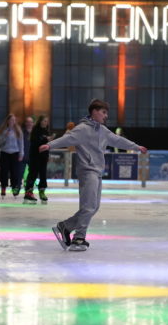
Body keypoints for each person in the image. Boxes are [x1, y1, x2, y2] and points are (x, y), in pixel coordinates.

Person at [42, 99, 147, 250]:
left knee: (94, 206)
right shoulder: (82, 129)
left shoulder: (103, 131)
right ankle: (79, 238)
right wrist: (50, 145)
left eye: (106, 113)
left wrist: (136, 147)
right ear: (94, 111)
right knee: (89, 206)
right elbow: (67, 138)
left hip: (97, 171)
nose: (105, 116)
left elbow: (117, 140)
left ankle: (65, 227)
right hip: (87, 170)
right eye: (103, 112)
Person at [23, 115, 56, 204]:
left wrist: (49, 141)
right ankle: (29, 192)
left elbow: (47, 145)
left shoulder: (46, 131)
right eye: (44, 121)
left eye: (47, 121)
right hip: (35, 156)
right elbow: (36, 141)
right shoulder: (35, 130)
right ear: (40, 121)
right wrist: (46, 139)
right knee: (33, 173)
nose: (46, 123)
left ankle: (42, 191)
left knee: (43, 174)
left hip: (43, 156)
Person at [0, 114, 24, 198]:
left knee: (15, 172)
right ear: (7, 121)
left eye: (14, 120)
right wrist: (5, 136)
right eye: (11, 120)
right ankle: (3, 187)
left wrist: (21, 153)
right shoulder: (3, 130)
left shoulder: (18, 131)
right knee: (4, 172)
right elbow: (0, 143)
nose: (13, 122)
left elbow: (21, 143)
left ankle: (14, 188)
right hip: (5, 153)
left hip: (15, 153)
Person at [20, 116, 35, 187]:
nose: (29, 123)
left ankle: (29, 185)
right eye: (28, 122)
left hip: (32, 156)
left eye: (31, 122)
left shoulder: (36, 133)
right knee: (20, 172)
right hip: (22, 156)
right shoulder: (21, 132)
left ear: (33, 123)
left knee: (32, 172)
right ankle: (18, 186)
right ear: (25, 123)